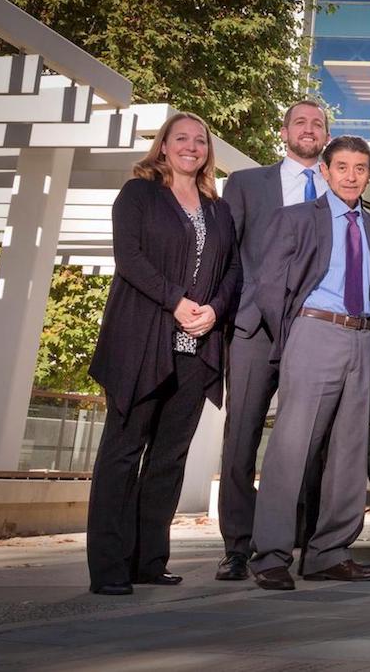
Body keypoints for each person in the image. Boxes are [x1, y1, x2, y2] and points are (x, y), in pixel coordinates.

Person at [86, 112, 242, 596]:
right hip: (143, 341)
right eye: (181, 138)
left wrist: (214, 311)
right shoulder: (139, 194)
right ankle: (109, 566)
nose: (191, 146)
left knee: (169, 457)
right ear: (163, 146)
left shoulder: (218, 210)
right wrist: (176, 301)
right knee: (123, 451)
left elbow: (233, 271)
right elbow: (128, 257)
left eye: (200, 140)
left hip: (196, 348)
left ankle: (149, 560)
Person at [249, 136, 370, 590]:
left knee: (349, 453)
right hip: (313, 332)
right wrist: (295, 334)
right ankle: (270, 555)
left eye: (361, 168)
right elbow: (270, 286)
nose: (352, 176)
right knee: (293, 448)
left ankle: (329, 553)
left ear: (369, 175)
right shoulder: (295, 220)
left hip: (361, 338)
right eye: (343, 167)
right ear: (325, 172)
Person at [215, 100, 331, 581]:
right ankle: (238, 547)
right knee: (241, 436)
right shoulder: (246, 184)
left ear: (326, 135)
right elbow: (224, 253)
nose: (309, 129)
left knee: (307, 441)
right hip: (252, 330)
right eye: (300, 122)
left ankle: (293, 541)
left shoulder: (340, 187)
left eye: (318, 124)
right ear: (283, 131)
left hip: (313, 330)